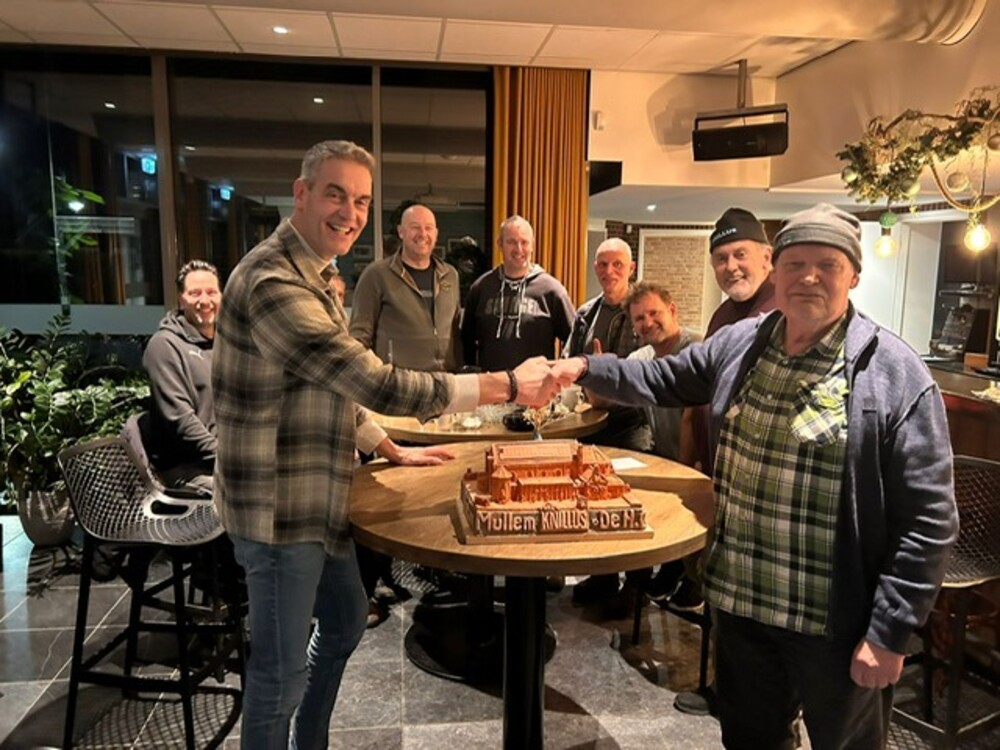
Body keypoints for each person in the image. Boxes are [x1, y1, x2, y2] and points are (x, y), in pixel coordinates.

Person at [547, 203, 958, 750]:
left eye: (827, 265)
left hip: (833, 622)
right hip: (741, 605)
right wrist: (583, 367)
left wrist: (891, 631)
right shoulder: (743, 342)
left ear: (854, 276)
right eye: (795, 264)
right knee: (749, 740)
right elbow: (663, 377)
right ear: (776, 271)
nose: (808, 277)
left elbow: (929, 519)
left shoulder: (894, 373)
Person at [211, 140, 555, 750]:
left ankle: (309, 740)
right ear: (301, 193)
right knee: (278, 679)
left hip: (322, 498)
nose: (350, 213)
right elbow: (370, 380)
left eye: (362, 201)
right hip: (276, 510)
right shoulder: (272, 281)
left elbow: (329, 388)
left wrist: (387, 447)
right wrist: (507, 385)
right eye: (336, 195)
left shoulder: (318, 275)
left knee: (346, 620)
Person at [566, 239, 650, 607]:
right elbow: (573, 362)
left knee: (632, 503)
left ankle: (636, 586)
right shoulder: (586, 313)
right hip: (594, 425)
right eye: (602, 264)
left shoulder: (643, 311)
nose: (609, 271)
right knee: (595, 502)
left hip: (633, 424)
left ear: (631, 268)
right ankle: (602, 577)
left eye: (617, 264)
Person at [350, 203, 462, 371]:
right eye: (415, 227)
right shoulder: (376, 275)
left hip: (445, 381)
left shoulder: (450, 275)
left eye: (428, 228)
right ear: (401, 232)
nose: (422, 234)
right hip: (396, 382)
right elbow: (359, 338)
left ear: (436, 233)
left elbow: (456, 332)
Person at [142, 259, 221, 493]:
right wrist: (232, 461)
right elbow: (181, 422)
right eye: (195, 293)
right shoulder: (164, 346)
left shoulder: (229, 341)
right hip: (189, 468)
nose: (205, 301)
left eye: (211, 292)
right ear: (181, 299)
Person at [461, 214, 575, 371]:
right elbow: (466, 341)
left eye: (524, 242)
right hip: (491, 384)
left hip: (537, 384)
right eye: (511, 242)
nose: (519, 249)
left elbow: (574, 340)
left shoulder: (552, 291)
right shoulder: (480, 288)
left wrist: (559, 372)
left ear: (532, 245)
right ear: (500, 244)